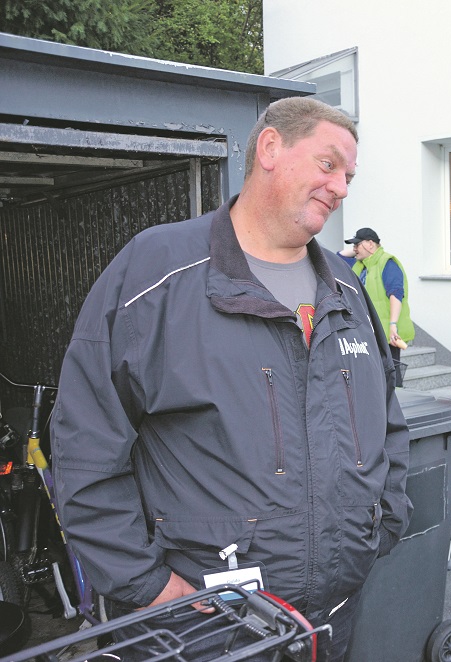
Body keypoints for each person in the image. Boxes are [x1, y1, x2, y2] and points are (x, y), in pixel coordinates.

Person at [50, 97, 412, 662]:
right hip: (202, 631)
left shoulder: (344, 285)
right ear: (270, 148)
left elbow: (386, 419)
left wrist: (383, 524)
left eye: (349, 175)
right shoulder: (158, 271)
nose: (342, 187)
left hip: (331, 621)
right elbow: (85, 442)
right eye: (328, 164)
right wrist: (144, 585)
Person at [338, 228, 413, 387]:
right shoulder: (361, 264)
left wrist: (393, 325)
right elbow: (338, 258)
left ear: (371, 244)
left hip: (386, 333)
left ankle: (394, 407)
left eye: (357, 244)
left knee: (390, 375)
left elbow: (396, 294)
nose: (354, 249)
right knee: (376, 375)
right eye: (354, 246)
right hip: (367, 331)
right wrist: (357, 248)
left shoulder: (387, 263)